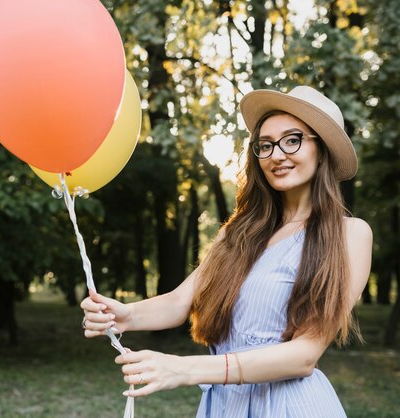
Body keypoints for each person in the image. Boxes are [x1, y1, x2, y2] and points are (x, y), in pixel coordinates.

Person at [80, 85, 372, 417]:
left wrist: (185, 369)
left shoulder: (350, 234)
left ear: (322, 149)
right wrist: (126, 315)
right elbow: (179, 301)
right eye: (265, 145)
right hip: (223, 407)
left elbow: (304, 355)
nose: (276, 155)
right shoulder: (239, 233)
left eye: (293, 140)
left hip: (291, 407)